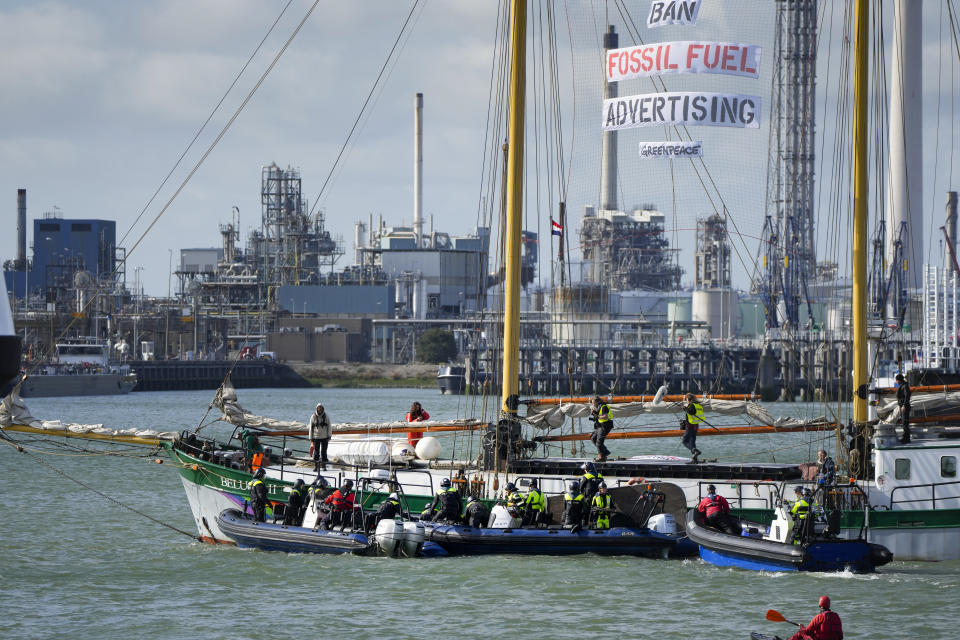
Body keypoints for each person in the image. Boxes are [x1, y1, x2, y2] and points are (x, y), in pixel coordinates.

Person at [589, 396, 613, 462]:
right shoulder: (598, 408)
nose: (592, 404)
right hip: (599, 426)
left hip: (605, 426)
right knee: (593, 438)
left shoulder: (604, 407)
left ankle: (601, 458)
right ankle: (605, 452)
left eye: (593, 403)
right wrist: (594, 413)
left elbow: (605, 417)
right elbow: (598, 416)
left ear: (597, 402)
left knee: (599, 443)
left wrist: (597, 416)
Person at [681, 393, 703, 463]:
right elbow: (694, 414)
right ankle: (694, 459)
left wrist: (685, 408)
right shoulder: (697, 405)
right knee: (692, 442)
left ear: (688, 399)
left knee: (684, 441)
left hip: (690, 426)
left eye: (686, 399)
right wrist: (686, 409)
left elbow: (691, 412)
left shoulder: (691, 405)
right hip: (696, 425)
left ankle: (695, 451)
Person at [309, 403, 331, 471]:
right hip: (316, 437)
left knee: (324, 452)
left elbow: (329, 426)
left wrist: (329, 436)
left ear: (323, 409)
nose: (320, 410)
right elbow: (310, 428)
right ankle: (316, 466)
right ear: (317, 409)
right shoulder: (313, 416)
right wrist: (310, 438)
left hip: (324, 437)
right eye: (319, 408)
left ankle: (324, 466)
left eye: (321, 408)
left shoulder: (326, 416)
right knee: (316, 452)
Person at [896, 373, 911, 444]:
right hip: (902, 406)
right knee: (904, 422)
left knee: (905, 422)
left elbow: (907, 396)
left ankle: (907, 439)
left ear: (898, 380)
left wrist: (904, 405)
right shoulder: (903, 385)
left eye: (896, 380)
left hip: (904, 407)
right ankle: (905, 437)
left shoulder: (905, 386)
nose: (896, 382)